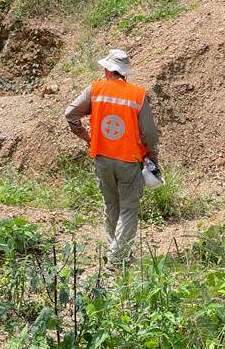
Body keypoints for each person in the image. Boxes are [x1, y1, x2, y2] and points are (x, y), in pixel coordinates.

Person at [64, 49, 159, 266]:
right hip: (129, 160)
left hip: (103, 159)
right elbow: (149, 133)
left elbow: (70, 114)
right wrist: (152, 154)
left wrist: (87, 138)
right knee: (128, 208)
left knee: (111, 204)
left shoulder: (95, 90)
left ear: (108, 70)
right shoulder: (137, 95)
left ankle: (115, 250)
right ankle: (116, 258)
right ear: (124, 72)